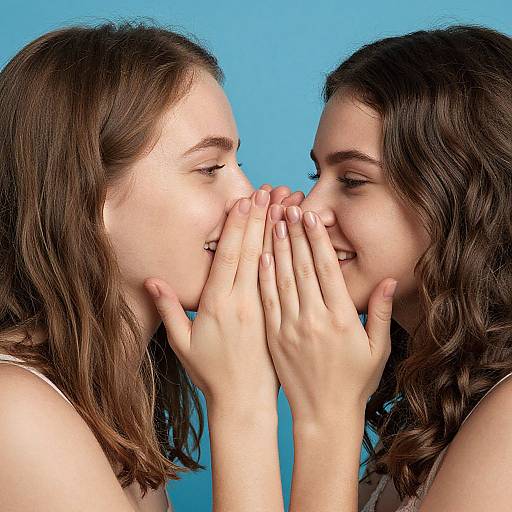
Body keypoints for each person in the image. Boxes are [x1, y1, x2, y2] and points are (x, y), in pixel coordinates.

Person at [0, 21, 301, 511]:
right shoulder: (15, 415)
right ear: (89, 197)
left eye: (236, 163)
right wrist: (242, 404)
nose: (247, 195)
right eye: (209, 169)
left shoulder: (104, 409)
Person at [255, 24, 512, 511]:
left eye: (352, 180)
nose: (308, 209)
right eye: (318, 174)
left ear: (460, 196)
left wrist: (326, 417)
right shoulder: (429, 409)